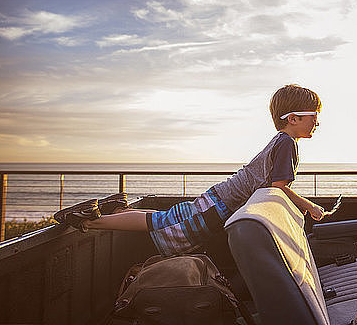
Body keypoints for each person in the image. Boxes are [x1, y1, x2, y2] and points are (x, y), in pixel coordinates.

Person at [54, 84, 327, 256]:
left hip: (219, 198)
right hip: (220, 205)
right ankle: (88, 220)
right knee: (160, 223)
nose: (317, 124)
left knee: (167, 217)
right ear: (293, 118)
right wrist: (309, 206)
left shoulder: (281, 141)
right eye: (314, 117)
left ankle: (117, 210)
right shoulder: (287, 144)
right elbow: (279, 186)